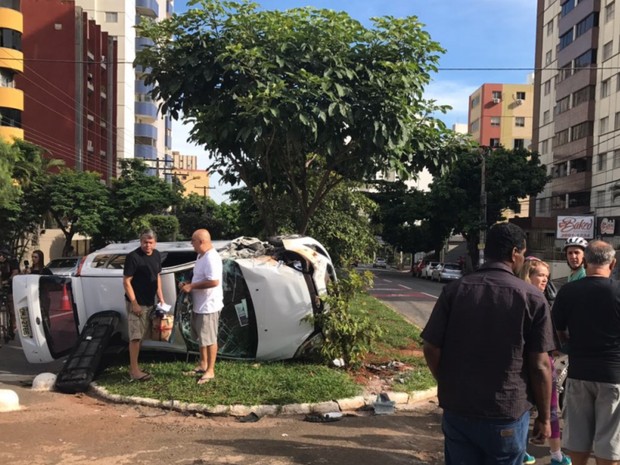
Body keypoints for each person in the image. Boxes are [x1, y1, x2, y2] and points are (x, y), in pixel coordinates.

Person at [421, 223, 555, 465]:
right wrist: (544, 418)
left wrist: (446, 381)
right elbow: (540, 365)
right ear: (515, 253)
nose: (522, 259)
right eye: (523, 254)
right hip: (506, 411)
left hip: (459, 408)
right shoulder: (532, 297)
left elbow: (431, 347)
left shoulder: (455, 290)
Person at [552, 240, 620, 465]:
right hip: (613, 375)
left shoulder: (568, 291)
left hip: (579, 372)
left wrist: (571, 345)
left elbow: (559, 331)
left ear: (586, 260)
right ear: (613, 263)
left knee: (578, 442)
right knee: (609, 443)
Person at [520, 257, 572, 465]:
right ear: (528, 275)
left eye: (546, 276)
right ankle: (521, 449)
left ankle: (556, 454)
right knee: (524, 408)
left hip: (546, 361)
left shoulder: (545, 299)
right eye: (539, 275)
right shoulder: (524, 299)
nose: (544, 280)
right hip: (529, 363)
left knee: (550, 409)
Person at [180, 229, 223, 385]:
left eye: (193, 241)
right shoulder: (200, 256)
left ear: (201, 241)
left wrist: (192, 287)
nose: (192, 244)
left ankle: (210, 370)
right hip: (199, 304)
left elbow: (214, 281)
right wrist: (187, 284)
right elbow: (198, 276)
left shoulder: (212, 258)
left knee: (210, 338)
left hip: (209, 306)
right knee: (201, 337)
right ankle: (203, 364)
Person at [122, 230, 166, 382]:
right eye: (145, 242)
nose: (147, 245)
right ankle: (134, 371)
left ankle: (135, 368)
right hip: (136, 304)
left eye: (150, 242)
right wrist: (134, 303)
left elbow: (157, 276)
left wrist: (161, 298)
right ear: (140, 242)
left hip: (149, 303)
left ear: (155, 242)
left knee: (141, 337)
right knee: (135, 337)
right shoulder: (133, 257)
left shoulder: (156, 255)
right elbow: (126, 281)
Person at [0, 246, 19, 339]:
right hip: (1, 287)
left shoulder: (13, 262)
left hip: (11, 287)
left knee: (11, 310)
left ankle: (12, 326)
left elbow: (15, 272)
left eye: (1, 255)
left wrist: (7, 281)